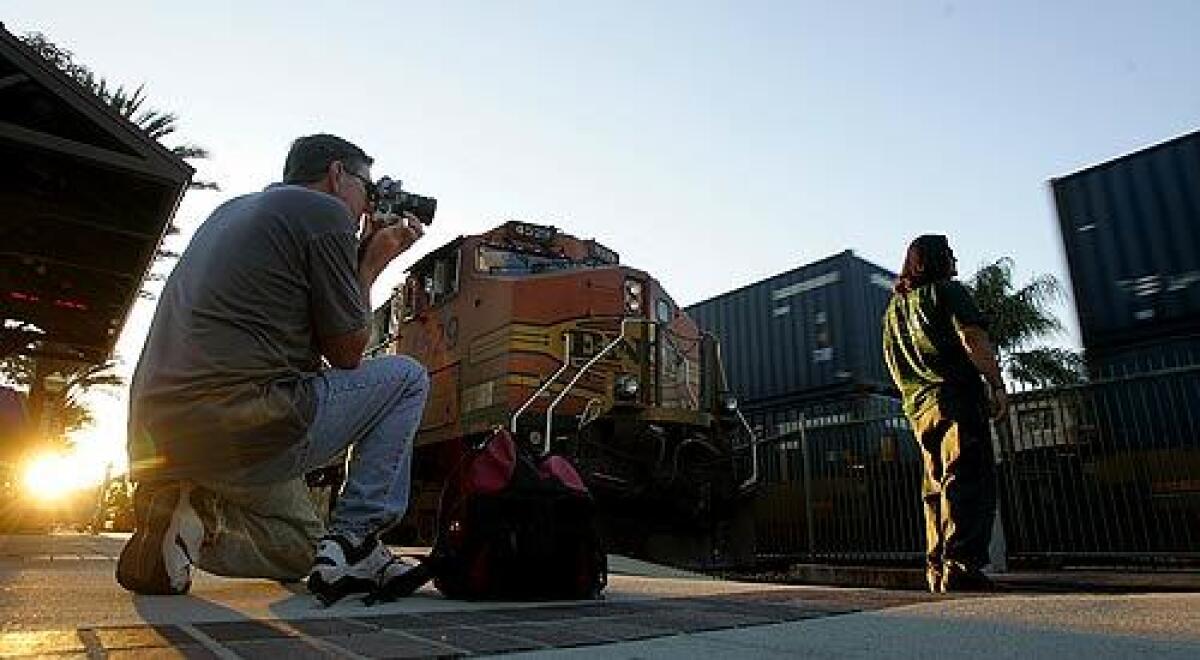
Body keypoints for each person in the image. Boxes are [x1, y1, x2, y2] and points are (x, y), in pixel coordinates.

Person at [117, 134, 431, 604]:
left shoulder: (230, 213)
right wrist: (370, 265)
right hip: (246, 425)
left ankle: (188, 525)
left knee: (303, 549)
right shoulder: (325, 215)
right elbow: (347, 353)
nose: (368, 207)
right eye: (367, 190)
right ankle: (356, 541)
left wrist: (354, 257)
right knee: (406, 378)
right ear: (336, 174)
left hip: (162, 439)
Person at [881, 234, 1008, 593]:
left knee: (935, 487)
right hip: (956, 398)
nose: (955, 259)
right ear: (932, 261)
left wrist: (914, 397)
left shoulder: (892, 313)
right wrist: (996, 384)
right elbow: (972, 337)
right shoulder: (948, 292)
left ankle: (936, 569)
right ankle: (962, 566)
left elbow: (892, 364)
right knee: (967, 478)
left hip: (918, 408)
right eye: (949, 254)